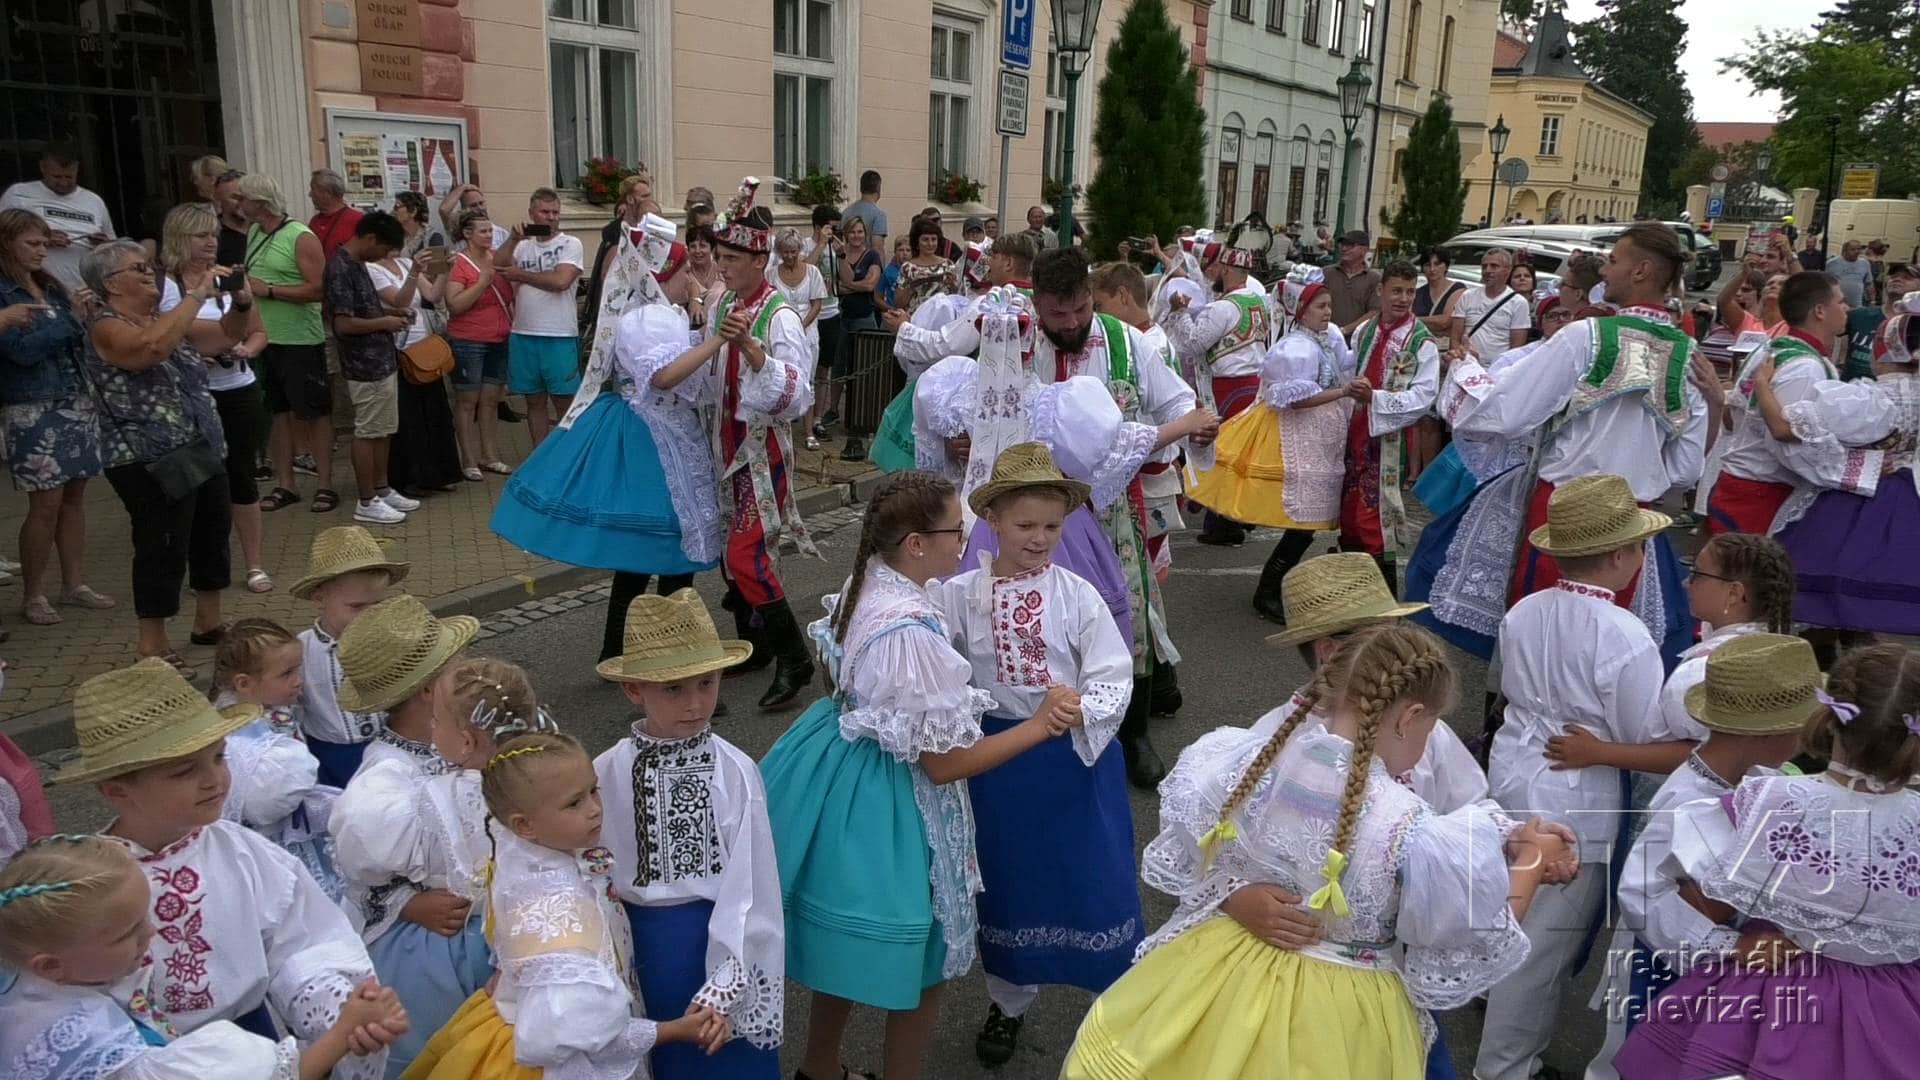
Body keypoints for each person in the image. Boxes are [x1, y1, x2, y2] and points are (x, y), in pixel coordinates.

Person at [1061, 623, 1566, 1079]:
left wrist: (1233, 893)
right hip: (1339, 1012)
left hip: (1219, 973)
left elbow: (1201, 846)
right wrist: (1532, 860)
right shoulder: (1407, 824)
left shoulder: (1250, 763)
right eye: (1430, 728)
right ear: (1410, 717)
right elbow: (1476, 925)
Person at [761, 471, 1068, 1080]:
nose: (967, 542)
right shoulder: (909, 632)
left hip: (843, 772)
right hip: (895, 798)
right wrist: (1038, 726)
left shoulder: (867, 582)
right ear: (916, 544)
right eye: (957, 531)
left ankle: (818, 1068)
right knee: (927, 956)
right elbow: (943, 762)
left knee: (846, 954)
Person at [55, 658, 395, 1074]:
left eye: (219, 757)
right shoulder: (90, 883)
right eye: (185, 771)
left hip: (255, 1046)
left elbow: (302, 940)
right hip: (149, 1058)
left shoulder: (241, 850)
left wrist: (336, 1006)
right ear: (117, 791)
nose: (213, 780)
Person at [1474, 474, 1702, 1080]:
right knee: (1542, 948)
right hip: (1576, 793)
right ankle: (1505, 1066)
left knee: (1508, 906)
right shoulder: (1624, 634)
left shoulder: (1525, 610)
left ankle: (1497, 1027)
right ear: (1622, 555)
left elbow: (1508, 686)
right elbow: (1641, 731)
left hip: (1516, 768)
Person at [1408, 223, 1712, 667]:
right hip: (1631, 520)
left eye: (1614, 260)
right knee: (1603, 647)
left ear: (1641, 270)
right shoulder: (1688, 356)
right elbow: (1685, 469)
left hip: (1564, 511)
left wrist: (1464, 374)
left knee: (1540, 638)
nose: (1604, 270)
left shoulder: (1586, 336)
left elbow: (1507, 413)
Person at [1615, 642, 1920, 1080]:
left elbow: (1653, 895)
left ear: (1828, 719)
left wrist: (1724, 944)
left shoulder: (1769, 804)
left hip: (1772, 1008)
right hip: (1895, 1017)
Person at [929, 446, 1138, 1064]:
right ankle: (1009, 999)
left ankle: (1118, 1006)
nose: (1040, 538)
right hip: (998, 764)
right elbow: (936, 661)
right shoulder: (959, 595)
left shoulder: (1077, 595)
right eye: (1025, 525)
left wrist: (1082, 708)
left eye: (1052, 525)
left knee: (1091, 876)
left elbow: (1112, 671)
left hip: (1072, 761)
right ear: (992, 519)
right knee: (1010, 880)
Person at [405, 730, 725, 1078]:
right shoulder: (562, 917)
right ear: (524, 824)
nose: (594, 809)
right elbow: (582, 1037)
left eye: (593, 790)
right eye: (574, 803)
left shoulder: (519, 851)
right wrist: (673, 1030)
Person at [1583, 632, 1817, 1080]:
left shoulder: (1756, 778)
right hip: (1668, 963)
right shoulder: (1688, 800)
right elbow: (1641, 894)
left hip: (1717, 966)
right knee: (1647, 1059)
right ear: (1770, 734)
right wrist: (1729, 945)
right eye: (1799, 728)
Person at [0, 833, 407, 1078]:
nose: (151, 933)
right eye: (128, 933)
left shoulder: (48, 985)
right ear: (50, 965)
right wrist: (342, 1033)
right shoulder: (83, 1038)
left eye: (145, 918)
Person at [593, 590, 786, 1079]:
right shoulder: (605, 771)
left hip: (717, 941)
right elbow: (587, 864)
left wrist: (726, 983)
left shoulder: (734, 771)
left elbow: (753, 886)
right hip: (637, 947)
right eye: (673, 689)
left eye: (706, 683)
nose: (696, 703)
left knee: (724, 1064)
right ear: (634, 690)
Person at [647, 183, 820, 710]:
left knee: (748, 555)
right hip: (721, 447)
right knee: (730, 554)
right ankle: (758, 642)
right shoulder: (723, 300)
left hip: (761, 454)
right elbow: (708, 370)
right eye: (718, 257)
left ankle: (796, 657)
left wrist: (752, 349)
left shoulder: (779, 316)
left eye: (731, 259)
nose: (720, 267)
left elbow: (799, 394)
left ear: (759, 261)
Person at [494, 291, 720, 662]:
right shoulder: (647, 318)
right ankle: (653, 651)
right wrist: (717, 339)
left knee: (649, 556)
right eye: (688, 269)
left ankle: (629, 648)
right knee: (660, 549)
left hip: (667, 433)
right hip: (650, 437)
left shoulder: (662, 313)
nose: (698, 275)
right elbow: (663, 376)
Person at [335, 652, 533, 1076]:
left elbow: (359, 846)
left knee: (452, 1051)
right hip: (514, 936)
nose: (432, 730)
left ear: (465, 740)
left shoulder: (434, 799)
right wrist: (406, 901)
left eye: (437, 723)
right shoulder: (540, 772)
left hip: (460, 948)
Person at [81, 240, 235, 671]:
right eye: (139, 268)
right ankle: (152, 643)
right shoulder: (104, 326)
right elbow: (148, 350)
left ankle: (209, 622)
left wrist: (241, 302)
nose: (150, 272)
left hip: (197, 445)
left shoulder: (163, 320)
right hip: (145, 454)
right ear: (112, 284)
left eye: (150, 266)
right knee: (162, 543)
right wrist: (195, 296)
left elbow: (226, 335)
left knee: (211, 532)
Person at [1190, 278, 1353, 619]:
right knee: (1303, 521)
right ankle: (1268, 590)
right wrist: (1342, 392)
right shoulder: (1295, 348)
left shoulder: (1324, 340)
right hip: (1296, 438)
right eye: (1320, 306)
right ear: (1301, 311)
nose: (1328, 312)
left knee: (1308, 523)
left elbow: (1344, 366)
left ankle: (1273, 587)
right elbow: (1293, 399)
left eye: (1329, 306)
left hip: (1318, 439)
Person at [1770, 304, 1920, 634]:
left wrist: (1764, 388)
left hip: (1859, 496)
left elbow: (1787, 427)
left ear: (1882, 350)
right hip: (1907, 495)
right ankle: (1862, 639)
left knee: (1825, 568)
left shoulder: (1871, 399)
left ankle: (1827, 636)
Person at [0, 208, 110, 629]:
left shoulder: (49, 284)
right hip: (33, 404)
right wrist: (70, 321)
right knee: (44, 503)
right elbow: (21, 351)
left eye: (45, 243)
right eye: (32, 243)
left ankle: (74, 584)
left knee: (75, 497)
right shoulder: (4, 293)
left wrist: (85, 315)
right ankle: (34, 593)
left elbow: (75, 338)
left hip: (75, 396)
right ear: (7, 243)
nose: (42, 251)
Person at [156, 202, 272, 599]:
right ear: (179, 238)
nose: (210, 242)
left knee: (241, 477)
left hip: (236, 387)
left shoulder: (230, 279)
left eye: (213, 235)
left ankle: (254, 563)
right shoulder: (162, 284)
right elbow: (164, 333)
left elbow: (257, 331)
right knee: (198, 483)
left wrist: (246, 350)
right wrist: (201, 346)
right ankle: (204, 567)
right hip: (187, 394)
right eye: (200, 235)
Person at [1704, 271, 1862, 537]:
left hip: (1743, 482)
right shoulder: (1805, 367)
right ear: (1819, 311)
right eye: (1841, 301)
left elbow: (1732, 416)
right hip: (1761, 491)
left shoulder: (1769, 348)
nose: (1847, 308)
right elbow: (1786, 443)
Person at [208, 617, 345, 902]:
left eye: (299, 669)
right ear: (244, 684)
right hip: (270, 835)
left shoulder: (274, 706)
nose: (299, 680)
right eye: (287, 674)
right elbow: (262, 799)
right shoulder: (240, 733)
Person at [1337, 259, 1440, 593]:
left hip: (1389, 437)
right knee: (1349, 511)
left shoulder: (1421, 341)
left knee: (1377, 516)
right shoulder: (1365, 331)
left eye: (1410, 292)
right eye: (1396, 291)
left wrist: (1376, 398)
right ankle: (1354, 591)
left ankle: (1382, 598)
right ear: (1381, 291)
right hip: (1356, 430)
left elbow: (1424, 397)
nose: (1403, 299)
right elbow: (1348, 371)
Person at [1163, 246, 1275, 547]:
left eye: (1215, 267)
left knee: (1220, 451)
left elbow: (1193, 344)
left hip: (1226, 386)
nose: (1211, 272)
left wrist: (1180, 312)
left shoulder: (1223, 307)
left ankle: (1222, 522)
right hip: (1252, 382)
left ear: (1225, 269)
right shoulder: (1259, 299)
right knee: (1240, 451)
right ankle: (1236, 516)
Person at [236, 173, 335, 514]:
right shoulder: (253, 233)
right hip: (263, 338)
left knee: (314, 412)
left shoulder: (299, 236)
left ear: (259, 202)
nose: (238, 205)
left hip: (299, 338)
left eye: (242, 198)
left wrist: (270, 290)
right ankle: (285, 483)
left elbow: (318, 289)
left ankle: (325, 484)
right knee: (277, 412)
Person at [291, 525, 411, 786]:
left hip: (386, 747)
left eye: (376, 605)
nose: (368, 616)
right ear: (319, 598)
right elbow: (291, 706)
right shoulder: (300, 650)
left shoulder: (390, 640)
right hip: (329, 756)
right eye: (356, 606)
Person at [324, 211, 421, 526]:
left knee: (383, 429)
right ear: (369, 239)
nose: (384, 256)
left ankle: (382, 488)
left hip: (382, 359)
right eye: (383, 249)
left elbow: (365, 308)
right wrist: (385, 323)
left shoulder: (358, 265)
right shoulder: (339, 268)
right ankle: (366, 500)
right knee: (367, 431)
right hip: (362, 365)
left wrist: (393, 314)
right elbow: (343, 323)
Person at [369, 208, 465, 497]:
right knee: (408, 418)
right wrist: (413, 272)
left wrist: (444, 270)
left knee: (434, 413)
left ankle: (438, 473)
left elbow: (432, 295)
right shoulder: (372, 270)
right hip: (398, 349)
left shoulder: (403, 262)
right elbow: (399, 300)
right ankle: (409, 478)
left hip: (422, 346)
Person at [497, 188, 584, 446]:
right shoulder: (523, 246)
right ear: (532, 213)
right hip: (524, 332)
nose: (551, 217)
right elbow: (498, 265)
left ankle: (568, 455)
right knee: (533, 401)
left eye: (555, 212)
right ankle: (539, 457)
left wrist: (521, 275)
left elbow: (561, 281)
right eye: (545, 212)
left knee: (564, 402)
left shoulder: (570, 243)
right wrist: (512, 239)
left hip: (558, 333)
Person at [444, 208, 514, 480]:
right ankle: (468, 458)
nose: (489, 235)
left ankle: (490, 455)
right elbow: (454, 304)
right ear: (467, 234)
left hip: (499, 337)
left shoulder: (497, 258)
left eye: (490, 230)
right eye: (483, 231)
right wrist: (482, 282)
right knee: (467, 401)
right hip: (468, 340)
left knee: (490, 400)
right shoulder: (459, 263)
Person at [1, 142, 115, 293]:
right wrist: (44, 238)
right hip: (36, 287)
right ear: (43, 168)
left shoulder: (94, 200)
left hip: (85, 288)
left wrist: (103, 244)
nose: (63, 182)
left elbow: (113, 245)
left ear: (77, 169)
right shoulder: (18, 193)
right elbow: (3, 236)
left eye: (69, 177)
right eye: (56, 176)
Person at [767, 230, 828, 444]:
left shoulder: (812, 272)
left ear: (799, 250)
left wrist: (799, 326)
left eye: (793, 251)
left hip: (807, 330)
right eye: (785, 252)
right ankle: (782, 431)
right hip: (780, 331)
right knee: (782, 379)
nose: (790, 256)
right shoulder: (771, 274)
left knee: (807, 379)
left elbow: (817, 304)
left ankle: (809, 431)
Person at [803, 205, 848, 445]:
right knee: (807, 368)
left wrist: (842, 255)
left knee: (824, 369)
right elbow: (804, 270)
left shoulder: (835, 248)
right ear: (819, 227)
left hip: (831, 311)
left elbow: (846, 277)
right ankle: (803, 415)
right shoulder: (805, 245)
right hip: (811, 316)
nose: (834, 233)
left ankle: (818, 418)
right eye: (831, 228)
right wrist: (821, 244)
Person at [1449, 248, 1531, 363]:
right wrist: (1462, 357)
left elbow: (1516, 349)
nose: (1487, 270)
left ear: (1508, 270)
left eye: (1494, 266)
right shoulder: (1467, 296)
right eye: (1484, 266)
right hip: (1465, 364)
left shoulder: (1518, 303)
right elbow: (1454, 339)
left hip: (1497, 368)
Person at [1843, 261, 1918, 380]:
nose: (1897, 279)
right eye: (1893, 276)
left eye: (1907, 278)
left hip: (1895, 389)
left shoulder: (1915, 327)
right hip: (1851, 387)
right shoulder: (1859, 315)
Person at [1323, 229, 1381, 335]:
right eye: (1342, 244)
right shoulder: (1326, 273)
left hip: (1356, 339)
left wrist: (1345, 330)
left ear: (1363, 250)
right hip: (1324, 335)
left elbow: (1375, 312)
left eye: (1350, 245)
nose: (1344, 248)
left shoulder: (1374, 279)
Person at [308, 170, 365, 261]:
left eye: (313, 189)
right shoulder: (315, 221)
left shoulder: (357, 220)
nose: (310, 194)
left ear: (328, 193)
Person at [213, 168, 252, 267]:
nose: (243, 202)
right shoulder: (212, 234)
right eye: (235, 197)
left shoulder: (265, 227)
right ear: (219, 201)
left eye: (246, 196)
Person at [843, 168, 889, 251]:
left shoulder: (846, 212)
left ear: (861, 188)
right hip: (867, 258)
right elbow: (877, 247)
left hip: (847, 257)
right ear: (878, 188)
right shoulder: (879, 214)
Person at [1829, 239, 1874, 308]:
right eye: (1853, 249)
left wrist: (1872, 300)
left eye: (1858, 249)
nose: (1856, 252)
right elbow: (1826, 284)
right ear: (1844, 251)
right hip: (1838, 304)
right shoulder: (1832, 263)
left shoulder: (1864, 263)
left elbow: (1869, 283)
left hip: (1858, 305)